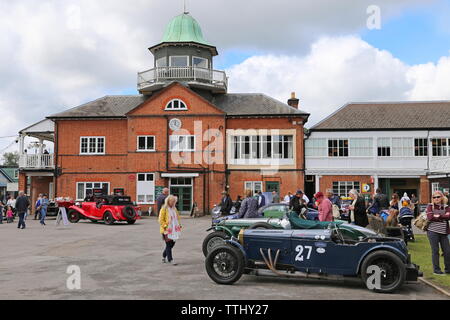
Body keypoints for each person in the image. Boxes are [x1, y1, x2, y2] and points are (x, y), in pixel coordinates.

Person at [426, 191, 450, 275]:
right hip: (433, 232)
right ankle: (436, 270)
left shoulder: (446, 207)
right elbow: (430, 217)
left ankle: (448, 269)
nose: (436, 198)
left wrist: (438, 215)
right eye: (434, 197)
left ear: (442, 197)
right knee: (435, 251)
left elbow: (449, 216)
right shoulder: (430, 206)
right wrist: (443, 215)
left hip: (443, 233)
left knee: (447, 251)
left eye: (438, 197)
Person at [159, 195, 182, 265]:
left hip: (174, 229)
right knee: (168, 244)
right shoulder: (164, 208)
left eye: (174, 201)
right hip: (166, 230)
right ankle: (170, 259)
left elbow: (177, 218)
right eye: (172, 201)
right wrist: (165, 226)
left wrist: (179, 225)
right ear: (168, 201)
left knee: (172, 244)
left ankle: (163, 255)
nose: (173, 203)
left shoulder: (174, 209)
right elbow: (160, 220)